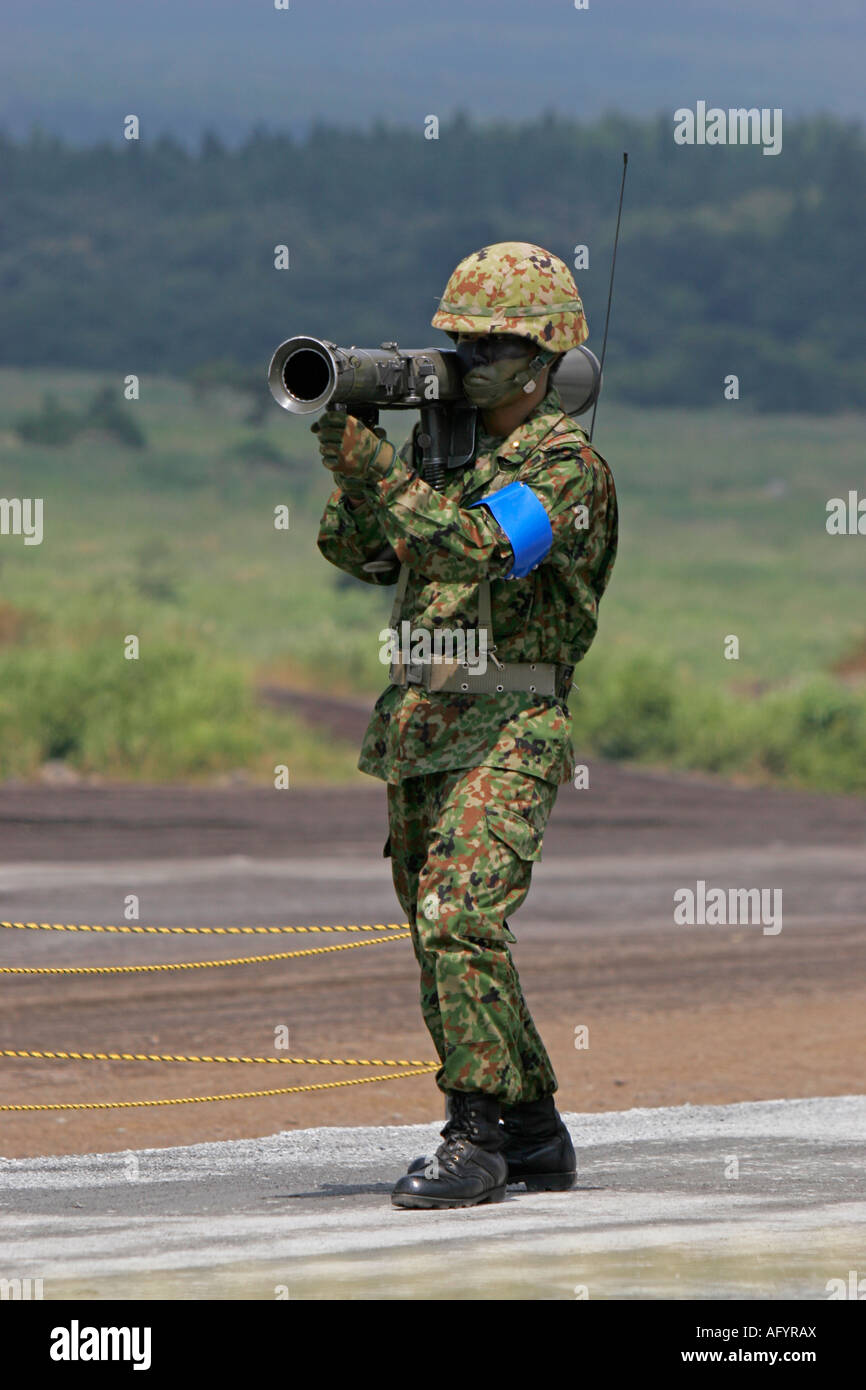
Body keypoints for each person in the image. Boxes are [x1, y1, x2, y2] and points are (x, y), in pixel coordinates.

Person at [314, 242, 618, 1209]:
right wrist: (356, 460)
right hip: (422, 723)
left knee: (462, 919)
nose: (469, 359)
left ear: (544, 359)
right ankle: (533, 1131)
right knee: (438, 931)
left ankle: (476, 1135)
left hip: (512, 721)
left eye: (491, 343)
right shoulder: (449, 454)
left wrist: (391, 480)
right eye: (461, 341)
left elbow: (485, 547)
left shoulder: (567, 471)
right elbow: (361, 553)